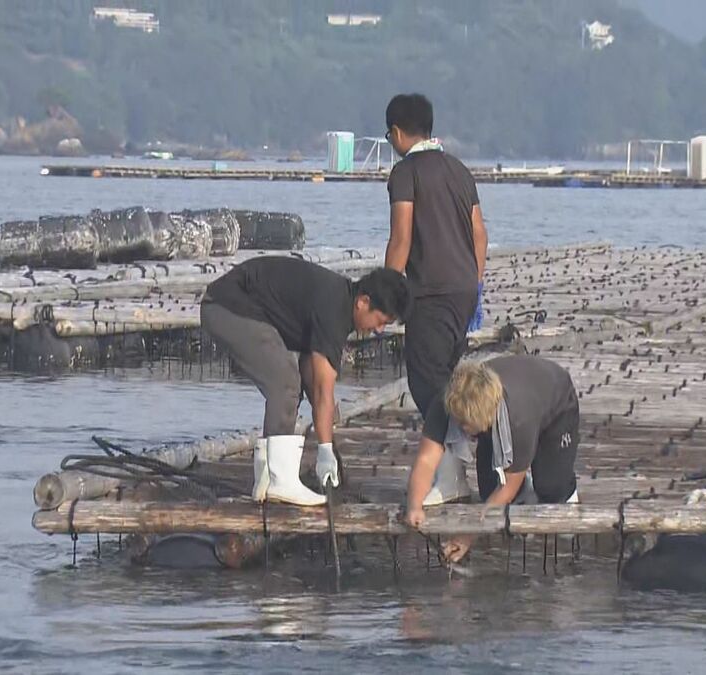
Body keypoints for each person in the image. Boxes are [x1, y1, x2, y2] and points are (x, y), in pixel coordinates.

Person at [201, 256, 411, 506]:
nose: (379, 331)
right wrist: (324, 450)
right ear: (363, 302)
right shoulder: (333, 312)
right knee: (285, 383)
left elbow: (312, 380)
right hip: (226, 306)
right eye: (381, 322)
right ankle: (281, 481)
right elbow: (323, 391)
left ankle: (268, 479)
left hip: (234, 306)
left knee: (291, 384)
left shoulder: (340, 303)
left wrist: (330, 448)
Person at [403, 356, 581, 562]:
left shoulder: (518, 420)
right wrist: (414, 505)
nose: (461, 430)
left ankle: (565, 492)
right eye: (458, 422)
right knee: (490, 490)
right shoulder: (448, 400)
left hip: (557, 402)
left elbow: (507, 487)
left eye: (465, 425)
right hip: (503, 407)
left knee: (550, 487)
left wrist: (467, 537)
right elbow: (426, 459)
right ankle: (526, 492)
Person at [383, 93, 488, 418]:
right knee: (445, 379)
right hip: (464, 294)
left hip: (431, 296)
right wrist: (475, 283)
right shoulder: (458, 170)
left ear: (398, 133)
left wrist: (385, 295)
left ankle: (447, 455)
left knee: (428, 386)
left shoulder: (405, 173)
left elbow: (401, 239)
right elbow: (479, 234)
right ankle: (451, 453)